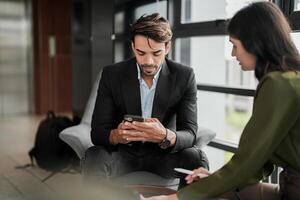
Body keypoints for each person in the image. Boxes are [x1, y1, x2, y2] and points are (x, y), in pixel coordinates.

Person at [141, 2, 300, 200]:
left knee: (203, 195)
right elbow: (259, 160)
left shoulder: (279, 85)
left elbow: (248, 161)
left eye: (235, 45)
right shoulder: (289, 79)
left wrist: (173, 199)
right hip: (288, 187)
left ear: (255, 42)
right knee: (210, 190)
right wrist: (214, 178)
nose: (233, 54)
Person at [81, 13, 209, 186]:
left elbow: (190, 133)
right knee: (93, 156)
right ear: (133, 47)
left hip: (163, 156)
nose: (148, 61)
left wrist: (165, 135)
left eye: (156, 53)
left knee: (197, 158)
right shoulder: (112, 75)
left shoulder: (184, 76)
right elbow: (97, 133)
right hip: (122, 154)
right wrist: (116, 135)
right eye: (141, 53)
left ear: (167, 47)